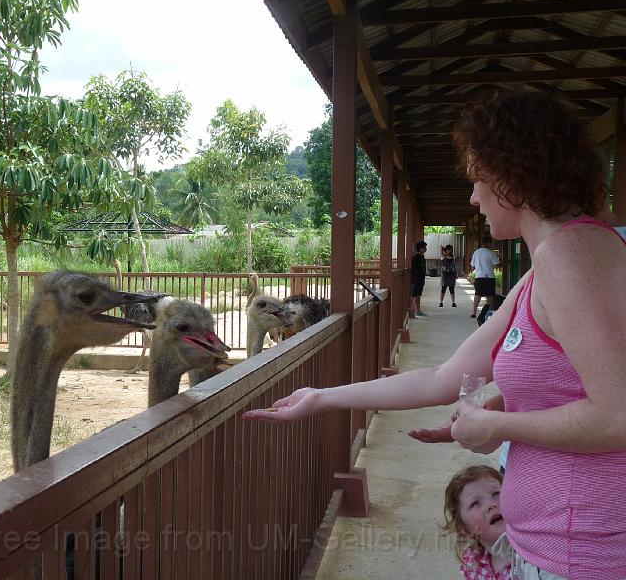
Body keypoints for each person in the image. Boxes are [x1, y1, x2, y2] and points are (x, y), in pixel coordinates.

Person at [244, 90, 626, 579]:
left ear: (512, 175)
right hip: (550, 546)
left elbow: (617, 414)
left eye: (477, 179)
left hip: (584, 556)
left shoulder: (570, 257)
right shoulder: (546, 270)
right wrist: (322, 397)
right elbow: (442, 378)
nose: (473, 198)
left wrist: (500, 426)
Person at [443, 465, 511, 580]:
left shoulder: (535, 558)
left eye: (496, 493)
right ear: (464, 529)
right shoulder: (472, 563)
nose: (491, 504)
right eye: (475, 503)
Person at [469, 236, 499, 318]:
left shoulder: (476, 253)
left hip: (479, 277)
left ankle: (474, 312)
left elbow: (472, 264)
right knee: (490, 296)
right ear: (489, 243)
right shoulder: (491, 253)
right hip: (489, 277)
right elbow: (496, 263)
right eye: (491, 243)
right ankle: (488, 313)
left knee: (477, 295)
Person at [410, 240, 428, 317]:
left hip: (421, 278)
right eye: (424, 247)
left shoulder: (422, 256)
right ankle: (411, 310)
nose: (426, 249)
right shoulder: (416, 257)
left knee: (418, 295)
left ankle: (417, 310)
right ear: (420, 248)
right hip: (416, 279)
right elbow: (411, 267)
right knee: (414, 295)